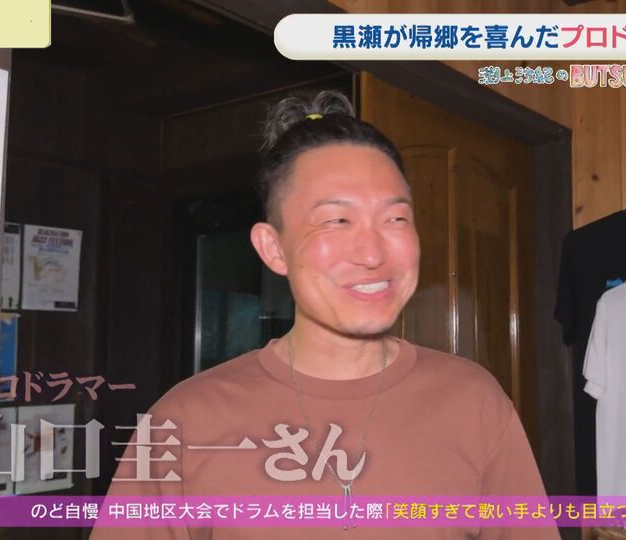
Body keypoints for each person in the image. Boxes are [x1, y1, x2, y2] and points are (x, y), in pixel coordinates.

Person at [90, 90, 557, 539]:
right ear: (273, 248)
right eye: (337, 221)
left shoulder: (473, 401)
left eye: (395, 219)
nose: (372, 254)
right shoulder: (184, 421)